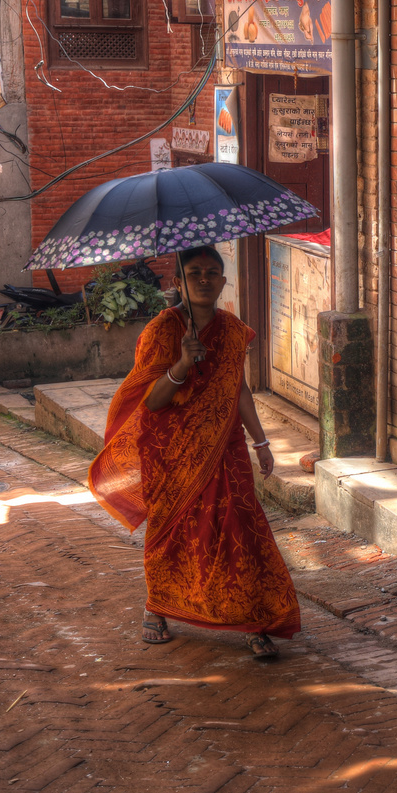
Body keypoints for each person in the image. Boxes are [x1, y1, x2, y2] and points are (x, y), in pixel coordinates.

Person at [88, 246, 301, 660]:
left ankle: (255, 619)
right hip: (172, 451)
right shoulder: (161, 332)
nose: (204, 280)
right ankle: (158, 606)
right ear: (178, 282)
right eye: (194, 272)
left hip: (226, 446)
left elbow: (238, 389)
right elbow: (150, 402)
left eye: (212, 273)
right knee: (174, 530)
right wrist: (182, 364)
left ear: (223, 281)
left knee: (242, 527)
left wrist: (261, 441)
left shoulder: (233, 331)